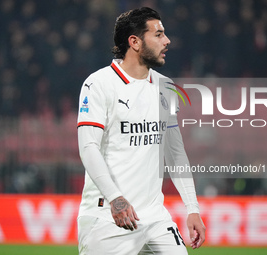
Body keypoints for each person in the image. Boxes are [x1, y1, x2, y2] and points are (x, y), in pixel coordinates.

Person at [77, 7, 205, 255]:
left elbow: (175, 152)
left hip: (155, 218)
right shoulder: (99, 84)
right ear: (134, 42)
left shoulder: (165, 87)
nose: (167, 41)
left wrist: (192, 207)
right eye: (158, 34)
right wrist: (116, 199)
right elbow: (88, 147)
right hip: (108, 217)